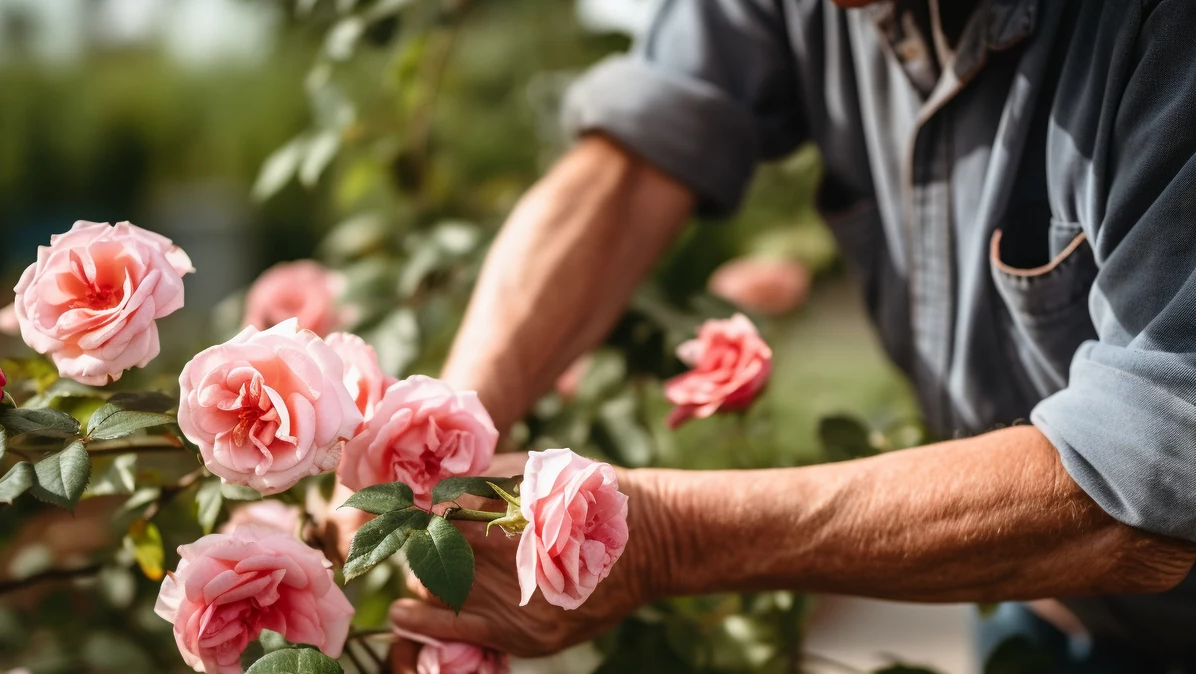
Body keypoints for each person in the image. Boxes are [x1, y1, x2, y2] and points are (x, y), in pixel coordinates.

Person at [330, 0, 1196, 669]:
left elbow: (1154, 469)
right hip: (1056, 622)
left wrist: (663, 538)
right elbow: (633, 166)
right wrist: (434, 437)